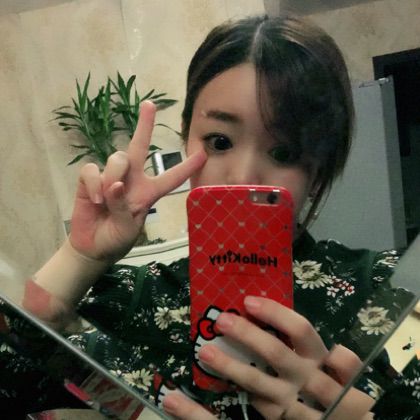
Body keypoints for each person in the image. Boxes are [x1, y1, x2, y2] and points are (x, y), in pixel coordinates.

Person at [1, 14, 419, 419]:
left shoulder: (390, 297)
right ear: (186, 139)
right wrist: (81, 257)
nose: (242, 177)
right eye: (220, 142)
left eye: (284, 152)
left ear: (318, 172)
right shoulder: (136, 301)